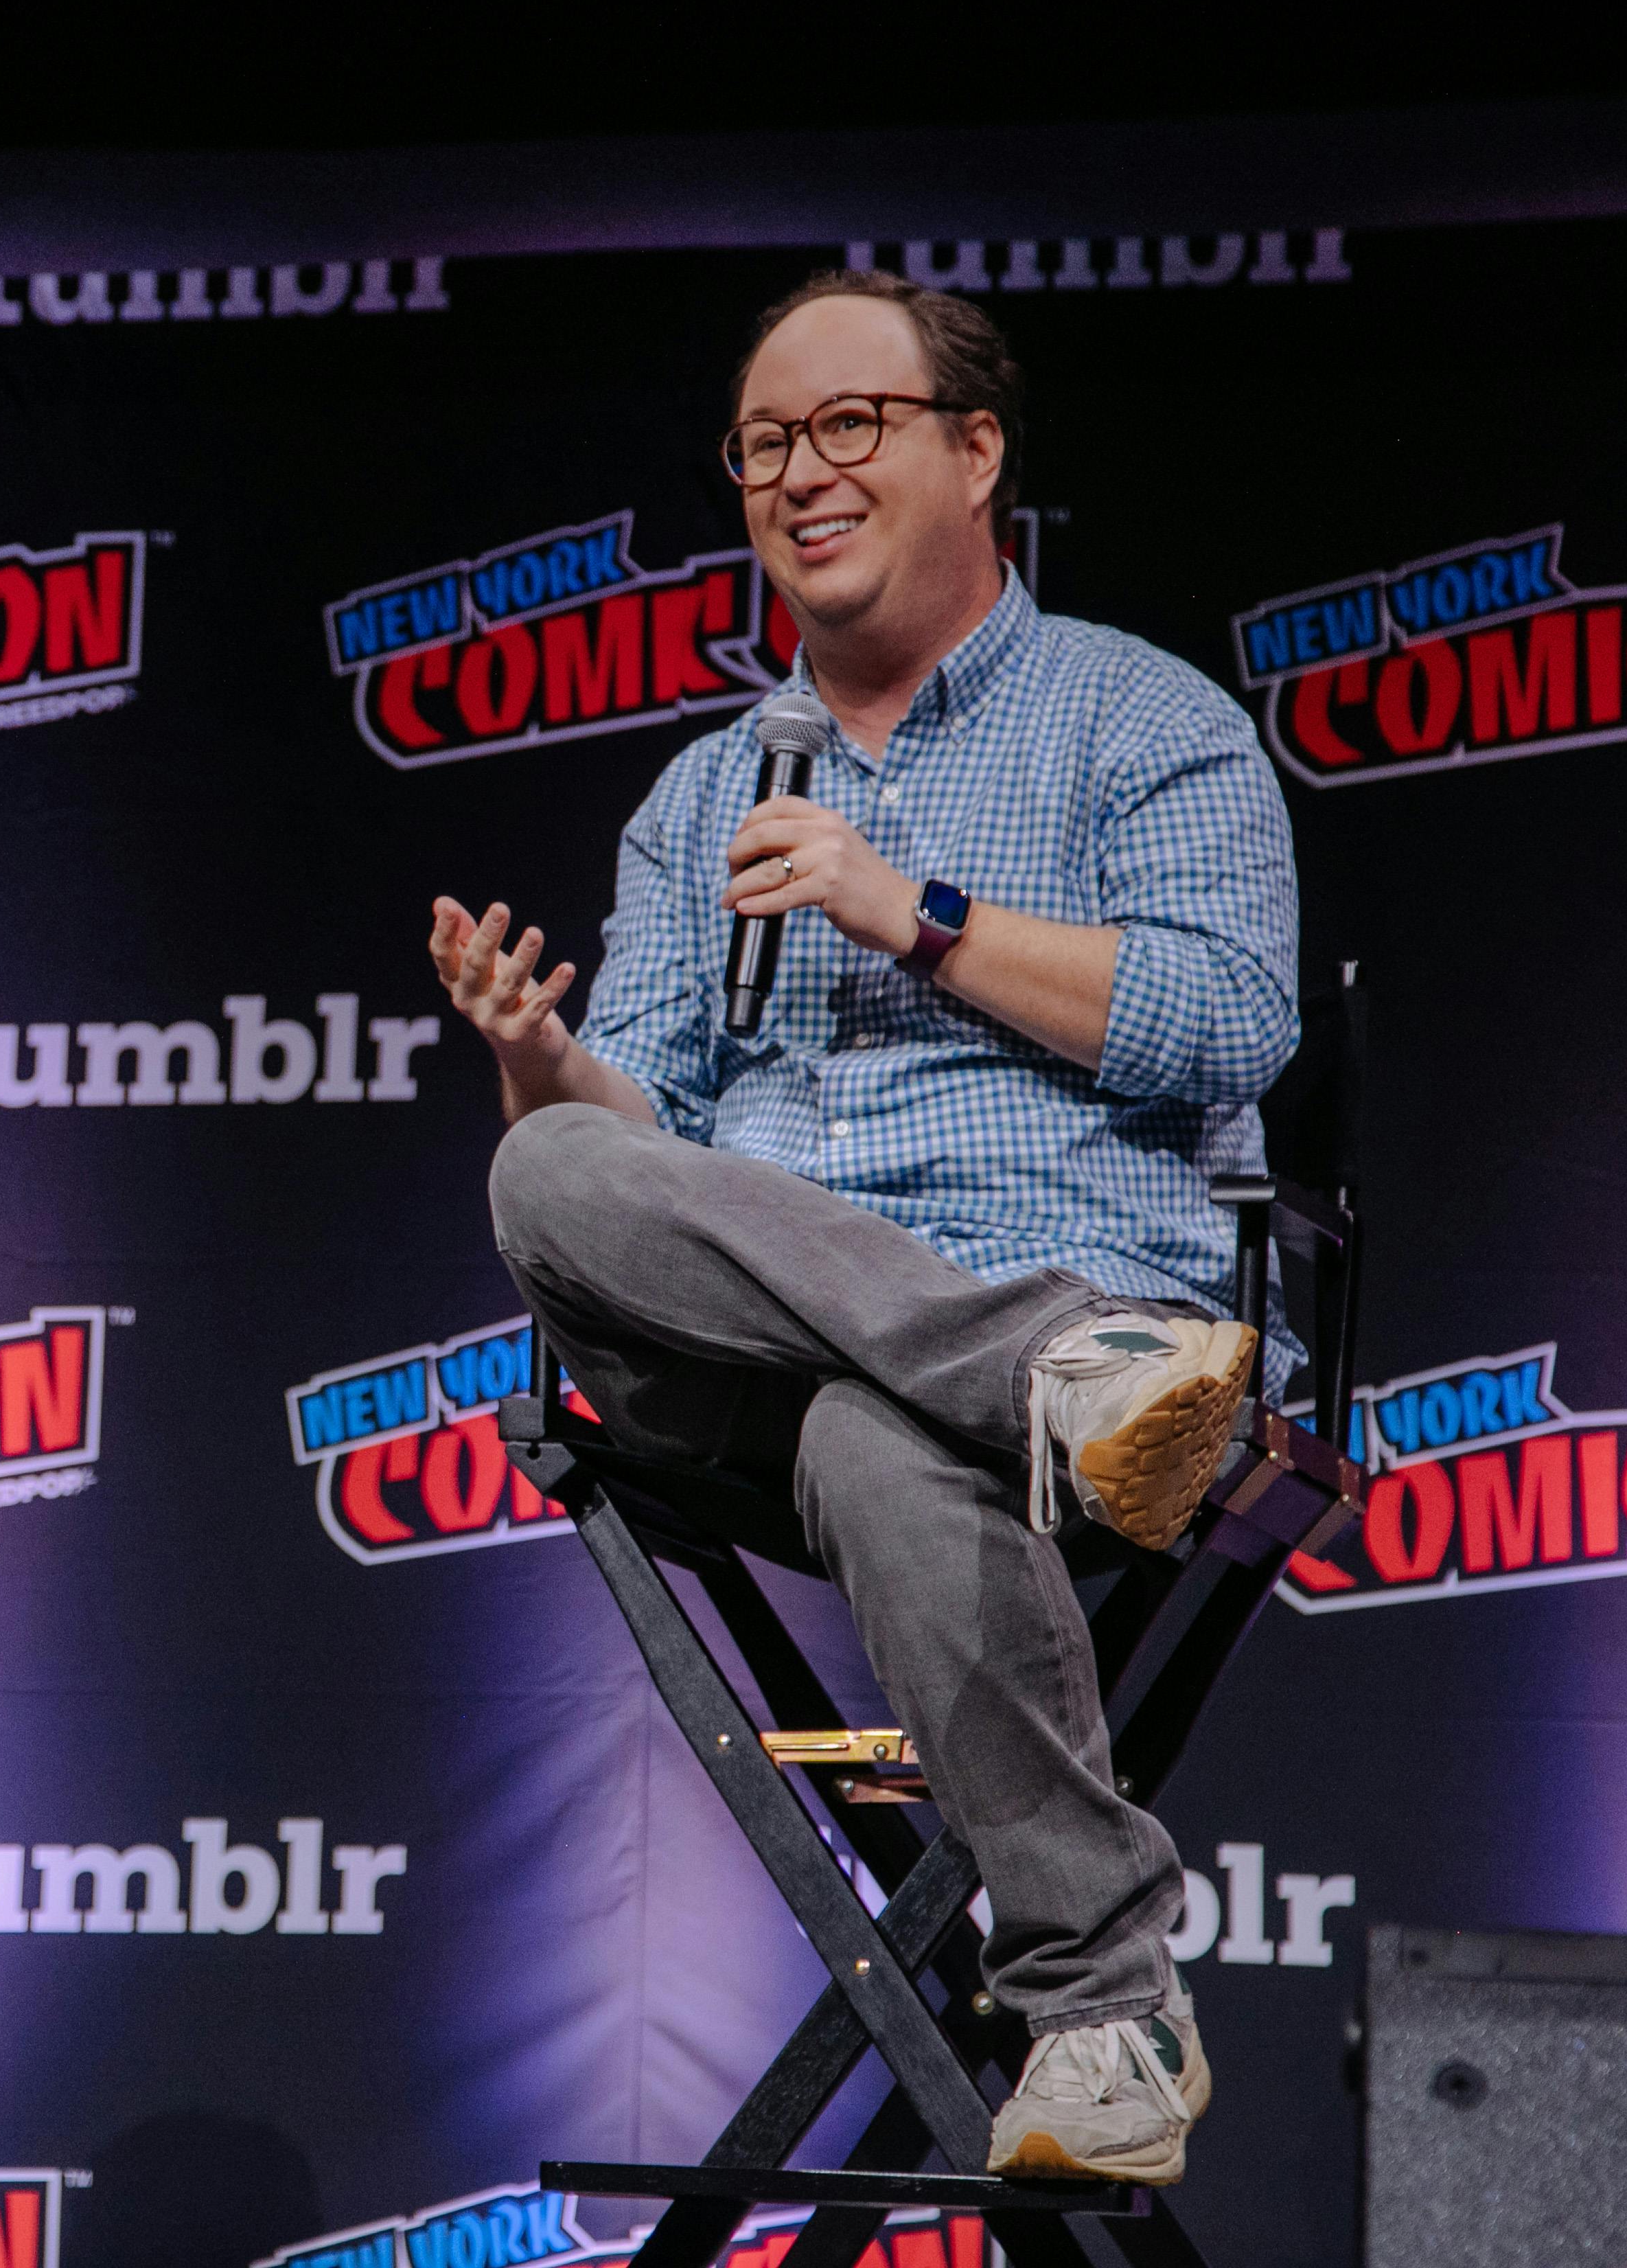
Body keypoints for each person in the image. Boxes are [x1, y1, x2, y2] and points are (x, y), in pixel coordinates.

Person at [428, 271, 1297, 2185]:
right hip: (869, 1371)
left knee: (878, 1429)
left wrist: (916, 912)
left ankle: (1101, 2010)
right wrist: (546, 1059)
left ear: (976, 451)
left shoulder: (1142, 719)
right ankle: (1048, 1383)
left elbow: (1231, 1019)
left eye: (847, 428)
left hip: (1071, 1304)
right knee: (544, 1177)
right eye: (761, 446)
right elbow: (639, 1150)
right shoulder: (701, 796)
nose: (798, 476)